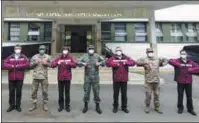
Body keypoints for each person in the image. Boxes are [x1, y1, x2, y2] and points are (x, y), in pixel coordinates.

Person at [136, 48, 168, 114]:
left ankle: (157, 107)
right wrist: (145, 63)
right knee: (148, 95)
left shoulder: (157, 59)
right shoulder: (144, 59)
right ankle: (147, 107)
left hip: (156, 81)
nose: (150, 53)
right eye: (149, 52)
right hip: (148, 81)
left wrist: (163, 61)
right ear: (147, 53)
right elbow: (137, 62)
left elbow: (166, 61)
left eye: (151, 52)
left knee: (157, 95)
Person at [169, 49, 199, 116]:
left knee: (189, 96)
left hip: (188, 81)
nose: (183, 55)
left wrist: (191, 69)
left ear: (186, 54)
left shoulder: (190, 62)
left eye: (184, 53)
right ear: (180, 54)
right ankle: (180, 108)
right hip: (180, 81)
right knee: (180, 95)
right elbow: (170, 61)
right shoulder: (177, 60)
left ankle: (190, 109)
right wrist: (179, 65)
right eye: (182, 53)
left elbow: (198, 68)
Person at [106, 47, 136, 113]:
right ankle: (115, 107)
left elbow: (133, 62)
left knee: (124, 94)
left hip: (124, 79)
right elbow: (107, 63)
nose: (118, 52)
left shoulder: (126, 57)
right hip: (116, 79)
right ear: (115, 52)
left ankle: (124, 107)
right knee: (116, 94)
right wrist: (115, 64)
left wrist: (126, 63)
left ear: (121, 51)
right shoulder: (113, 58)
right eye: (117, 51)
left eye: (119, 50)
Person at [78, 45, 105, 114]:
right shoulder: (84, 56)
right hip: (87, 77)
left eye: (92, 49)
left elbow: (104, 62)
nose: (91, 50)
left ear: (94, 49)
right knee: (86, 92)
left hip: (95, 78)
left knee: (96, 92)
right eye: (90, 49)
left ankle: (97, 106)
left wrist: (100, 63)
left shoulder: (97, 56)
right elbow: (77, 63)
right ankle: (85, 106)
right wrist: (83, 63)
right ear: (88, 49)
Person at [3, 44, 30, 112]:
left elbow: (27, 64)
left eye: (19, 48)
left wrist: (19, 66)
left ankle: (18, 106)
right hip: (11, 78)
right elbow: (4, 64)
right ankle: (11, 106)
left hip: (20, 78)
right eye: (16, 48)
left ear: (21, 49)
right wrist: (11, 66)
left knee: (18, 92)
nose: (17, 49)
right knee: (11, 92)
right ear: (14, 49)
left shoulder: (23, 57)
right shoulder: (10, 57)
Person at [51, 46, 77, 112]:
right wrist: (57, 63)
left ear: (68, 51)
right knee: (60, 93)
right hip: (60, 78)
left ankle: (67, 106)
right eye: (64, 50)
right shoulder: (59, 58)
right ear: (62, 51)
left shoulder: (70, 57)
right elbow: (52, 65)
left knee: (67, 93)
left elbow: (74, 65)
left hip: (67, 78)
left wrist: (69, 63)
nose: (65, 51)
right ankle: (61, 106)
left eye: (66, 50)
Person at [29, 45, 51, 112]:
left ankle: (45, 104)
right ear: (39, 50)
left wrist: (46, 63)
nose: (42, 50)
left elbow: (52, 65)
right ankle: (34, 104)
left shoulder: (48, 56)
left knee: (45, 91)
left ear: (45, 50)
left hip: (44, 77)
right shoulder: (35, 56)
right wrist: (35, 63)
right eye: (41, 49)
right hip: (36, 76)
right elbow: (30, 65)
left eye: (43, 49)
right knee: (34, 91)